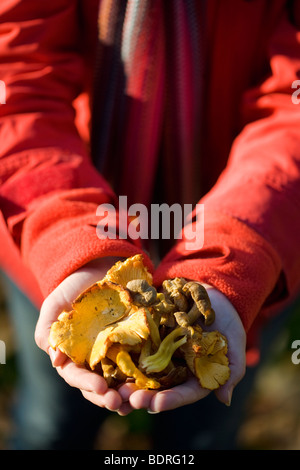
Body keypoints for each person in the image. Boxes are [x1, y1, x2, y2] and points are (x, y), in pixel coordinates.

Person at [0, 0, 299, 449]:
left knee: (201, 434)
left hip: (261, 250)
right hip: (50, 244)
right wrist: (69, 238)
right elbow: (17, 86)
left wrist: (236, 258)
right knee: (49, 423)